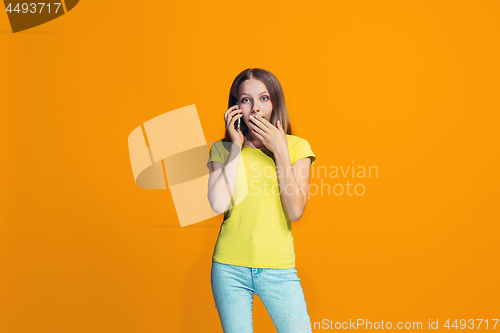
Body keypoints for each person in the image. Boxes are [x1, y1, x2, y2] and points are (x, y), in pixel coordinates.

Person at [206, 68, 317, 333]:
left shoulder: (297, 147)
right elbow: (218, 204)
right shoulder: (221, 149)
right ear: (235, 107)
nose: (255, 108)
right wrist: (235, 146)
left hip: (278, 268)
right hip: (229, 267)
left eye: (264, 98)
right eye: (246, 100)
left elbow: (294, 212)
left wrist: (280, 150)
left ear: (275, 102)